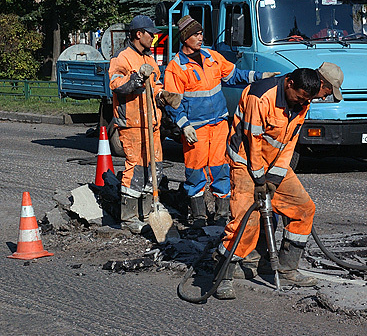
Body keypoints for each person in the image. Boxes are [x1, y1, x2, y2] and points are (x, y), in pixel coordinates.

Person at [214, 63, 344, 300]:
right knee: (247, 219)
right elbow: (252, 140)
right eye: (299, 97)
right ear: (290, 84)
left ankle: (286, 268)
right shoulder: (261, 96)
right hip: (245, 162)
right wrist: (259, 178)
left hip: (273, 164)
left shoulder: (302, 101)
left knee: (304, 209)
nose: (302, 102)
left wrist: (274, 176)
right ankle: (223, 275)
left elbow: (289, 143)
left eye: (307, 99)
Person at [164, 15, 279, 227]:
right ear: (185, 38)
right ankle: (199, 216)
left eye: (200, 34)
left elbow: (234, 75)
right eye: (196, 34)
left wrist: (261, 76)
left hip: (218, 124)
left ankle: (221, 214)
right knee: (195, 171)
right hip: (195, 128)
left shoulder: (212, 57)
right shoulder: (176, 67)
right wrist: (184, 125)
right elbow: (173, 102)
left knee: (220, 168)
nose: (200, 38)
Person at [109, 15, 181, 234]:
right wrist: (136, 79)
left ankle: (149, 210)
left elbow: (155, 86)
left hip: (151, 123)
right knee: (136, 168)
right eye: (151, 34)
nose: (154, 37)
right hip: (132, 123)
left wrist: (163, 96)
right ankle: (129, 216)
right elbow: (116, 84)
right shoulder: (123, 58)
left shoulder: (149, 59)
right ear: (139, 34)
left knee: (154, 168)